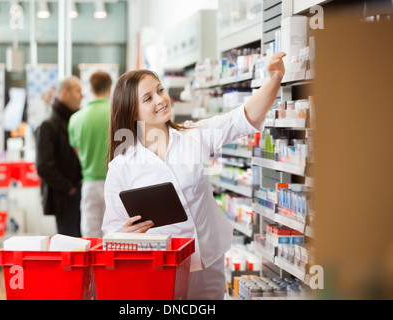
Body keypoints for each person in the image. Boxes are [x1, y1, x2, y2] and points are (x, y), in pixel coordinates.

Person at [102, 52, 286, 300]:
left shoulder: (193, 135)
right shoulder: (122, 166)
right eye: (148, 98)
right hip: (161, 265)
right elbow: (111, 231)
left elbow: (243, 118)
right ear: (132, 112)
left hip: (208, 258)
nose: (160, 99)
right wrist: (126, 234)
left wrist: (275, 77)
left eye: (160, 90)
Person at [35, 76, 83, 237]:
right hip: (65, 197)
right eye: (78, 91)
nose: (82, 95)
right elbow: (44, 166)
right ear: (64, 92)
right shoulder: (48, 125)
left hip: (79, 192)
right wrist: (68, 188)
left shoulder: (75, 121)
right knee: (71, 245)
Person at [68, 71, 112, 238]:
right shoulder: (117, 113)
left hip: (90, 182)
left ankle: (92, 265)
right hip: (114, 181)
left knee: (90, 235)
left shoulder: (76, 119)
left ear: (90, 89)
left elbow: (77, 152)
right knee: (115, 233)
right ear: (110, 87)